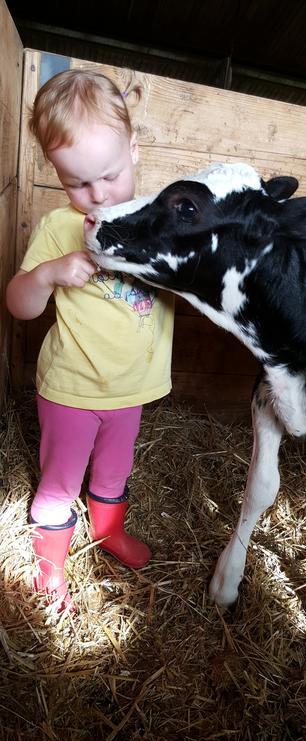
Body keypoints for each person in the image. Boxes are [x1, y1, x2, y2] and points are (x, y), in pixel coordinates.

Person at [6, 69, 175, 610]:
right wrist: (49, 274)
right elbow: (18, 304)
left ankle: (108, 532)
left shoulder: (161, 222)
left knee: (114, 470)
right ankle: (50, 568)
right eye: (77, 183)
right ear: (57, 176)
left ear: (134, 148)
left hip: (130, 391)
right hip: (71, 391)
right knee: (59, 480)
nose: (97, 195)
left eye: (109, 175)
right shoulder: (60, 228)